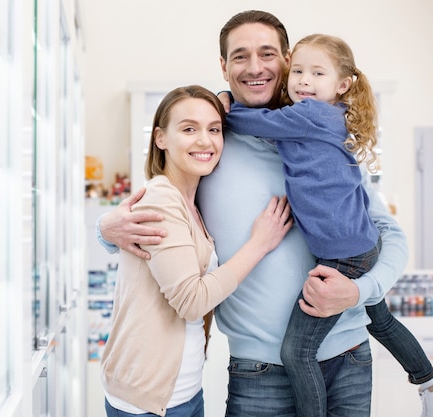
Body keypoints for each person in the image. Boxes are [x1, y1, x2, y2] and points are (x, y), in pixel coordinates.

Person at [97, 10, 410, 417]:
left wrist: (360, 291)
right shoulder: (210, 144)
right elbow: (166, 212)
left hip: (347, 356)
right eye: (240, 56)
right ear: (224, 68)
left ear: (287, 60)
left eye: (267, 53)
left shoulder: (324, 140)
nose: (255, 67)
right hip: (258, 371)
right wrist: (107, 229)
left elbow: (389, 233)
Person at [224, 32, 433, 417]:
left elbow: (251, 122)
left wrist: (220, 105)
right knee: (381, 319)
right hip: (357, 247)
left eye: (316, 73)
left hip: (343, 257)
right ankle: (426, 377)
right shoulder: (323, 118)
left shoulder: (307, 115)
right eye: (300, 72)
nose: (304, 80)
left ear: (342, 85)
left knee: (297, 352)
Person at [100, 85, 293, 417]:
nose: (205, 141)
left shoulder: (193, 200)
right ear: (160, 138)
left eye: (214, 129)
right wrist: (259, 244)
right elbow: (191, 302)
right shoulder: (162, 198)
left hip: (184, 392)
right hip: (146, 402)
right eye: (189, 129)